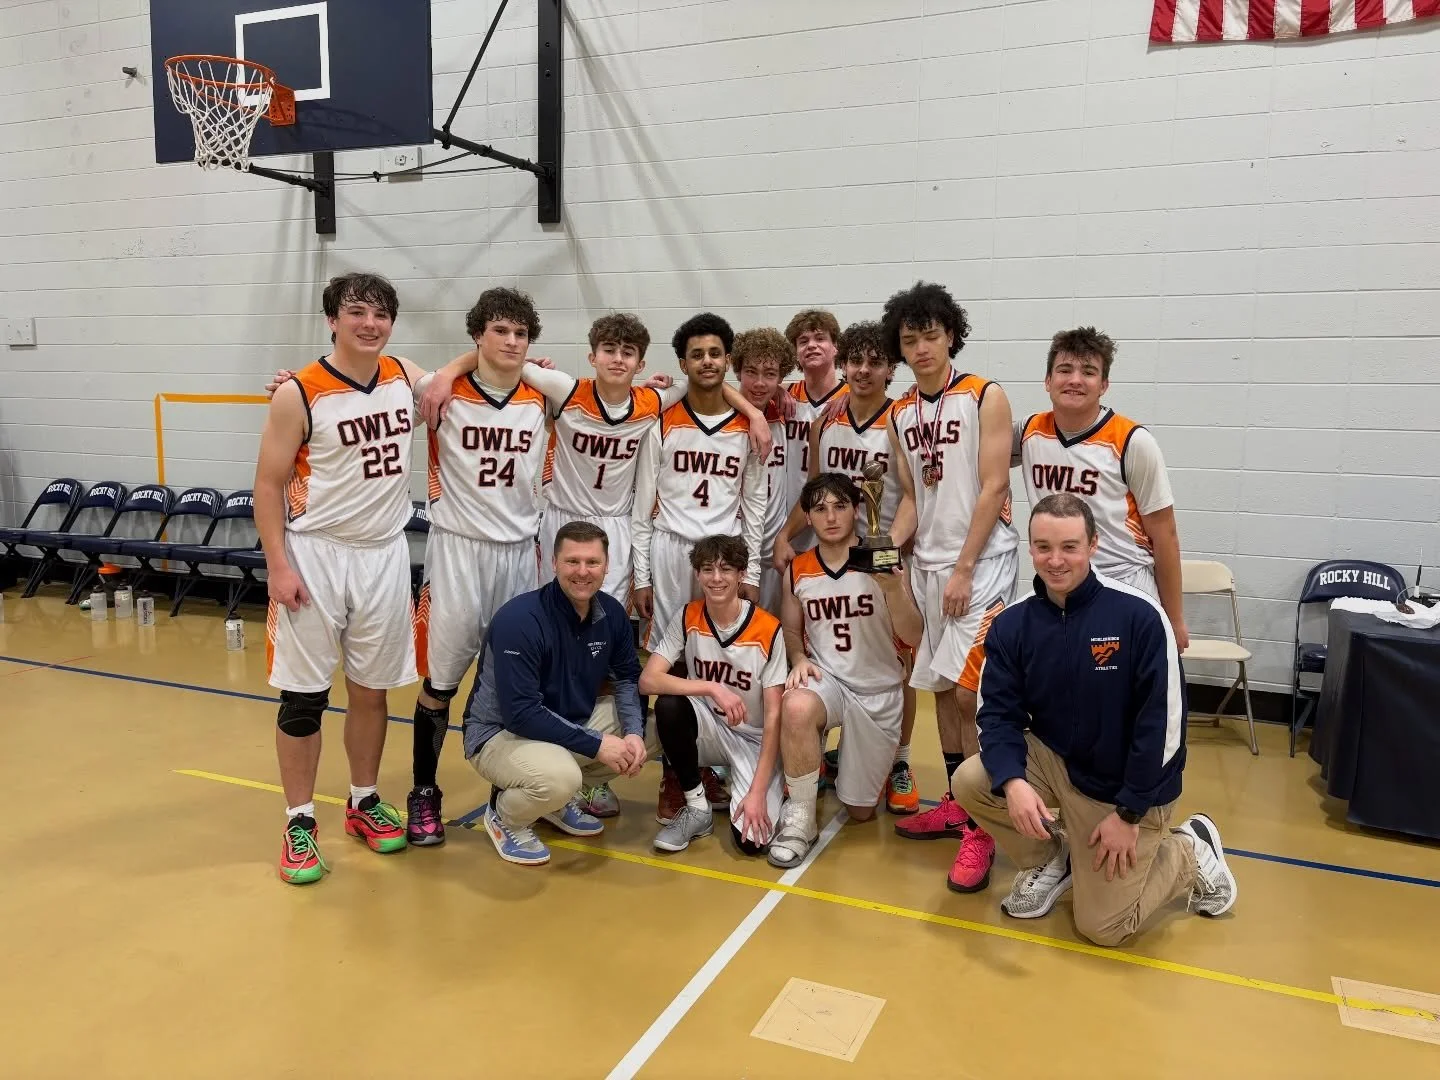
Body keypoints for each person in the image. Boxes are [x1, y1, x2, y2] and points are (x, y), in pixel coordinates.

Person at [420, 312, 768, 822]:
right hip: (557, 524)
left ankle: (581, 771)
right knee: (546, 642)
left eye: (628, 353)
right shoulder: (564, 389)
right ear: (592, 356)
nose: (618, 359)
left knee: (605, 649)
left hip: (618, 529)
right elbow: (498, 354)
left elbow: (705, 384)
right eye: (609, 350)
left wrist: (752, 412)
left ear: (641, 362)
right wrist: (450, 371)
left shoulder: (651, 401)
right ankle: (532, 758)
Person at [950, 494, 1236, 941]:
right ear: (1030, 549)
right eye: (1043, 547)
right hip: (1061, 764)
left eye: (1069, 546)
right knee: (972, 780)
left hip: (1128, 789)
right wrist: (1014, 782)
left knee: (1104, 928)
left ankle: (1189, 850)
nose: (1056, 560)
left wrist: (1129, 813)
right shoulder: (1014, 624)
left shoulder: (1139, 616)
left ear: (1094, 544)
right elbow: (998, 714)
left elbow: (1164, 729)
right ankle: (1054, 858)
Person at [257, 271, 425, 885]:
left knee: (372, 689)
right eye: (356, 311)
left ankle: (362, 800)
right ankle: (299, 820)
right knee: (304, 695)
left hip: (382, 554)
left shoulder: (407, 377)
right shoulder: (298, 392)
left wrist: (530, 362)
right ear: (332, 319)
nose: (369, 323)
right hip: (317, 554)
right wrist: (279, 563)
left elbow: (477, 379)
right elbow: (268, 485)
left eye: (380, 313)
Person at [884, 281, 1017, 893]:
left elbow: (992, 487)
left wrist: (964, 567)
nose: (921, 348)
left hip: (981, 564)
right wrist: (888, 553)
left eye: (930, 335)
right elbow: (914, 495)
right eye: (909, 340)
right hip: (929, 565)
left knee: (970, 696)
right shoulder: (900, 411)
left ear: (951, 336)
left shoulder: (985, 396)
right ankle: (960, 806)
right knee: (939, 688)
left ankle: (984, 827)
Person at [405, 287, 549, 847]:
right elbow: (385, 373)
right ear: (477, 335)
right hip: (458, 550)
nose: (511, 342)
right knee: (440, 680)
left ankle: (504, 792)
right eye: (500, 331)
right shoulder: (442, 391)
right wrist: (449, 370)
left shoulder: (542, 395)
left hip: (519, 553)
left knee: (514, 679)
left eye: (521, 333)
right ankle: (423, 792)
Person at [773, 321, 920, 814]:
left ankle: (899, 759)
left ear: (889, 368)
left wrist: (885, 550)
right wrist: (786, 534)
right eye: (855, 361)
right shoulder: (826, 421)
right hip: (834, 545)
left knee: (898, 662)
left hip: (885, 552)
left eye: (874, 361)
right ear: (844, 364)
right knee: (842, 646)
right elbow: (814, 490)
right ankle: (833, 745)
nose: (862, 370)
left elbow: (914, 497)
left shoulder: (900, 421)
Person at [461, 521, 656, 866]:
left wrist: (634, 734)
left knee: (655, 729)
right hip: (498, 735)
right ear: (554, 563)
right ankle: (506, 816)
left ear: (606, 565)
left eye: (592, 562)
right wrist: (598, 744)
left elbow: (627, 678)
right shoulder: (520, 620)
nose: (582, 572)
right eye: (572, 561)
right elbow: (520, 712)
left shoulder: (610, 613)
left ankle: (553, 803)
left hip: (563, 724)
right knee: (561, 778)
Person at [769, 474, 924, 869]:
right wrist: (799, 658)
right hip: (829, 681)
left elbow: (914, 634)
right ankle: (800, 817)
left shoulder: (883, 558)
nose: (831, 517)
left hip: (878, 689)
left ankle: (861, 763)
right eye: (820, 509)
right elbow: (790, 628)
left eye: (840, 506)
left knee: (859, 812)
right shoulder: (798, 570)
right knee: (797, 706)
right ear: (808, 517)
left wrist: (892, 589)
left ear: (857, 510)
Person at [1016, 327, 1190, 650]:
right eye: (1064, 370)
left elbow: (1165, 534)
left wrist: (1174, 618)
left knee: (1121, 697)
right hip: (1060, 582)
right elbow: (978, 454)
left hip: (1123, 582)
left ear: (1104, 385)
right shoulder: (1028, 432)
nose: (1075, 380)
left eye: (1089, 372)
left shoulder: (1132, 442)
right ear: (1047, 381)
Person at [639, 535, 787, 855]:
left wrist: (758, 793)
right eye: (707, 569)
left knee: (752, 843)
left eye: (726, 570)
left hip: (754, 739)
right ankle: (697, 807)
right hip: (708, 726)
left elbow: (775, 716)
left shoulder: (768, 629)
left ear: (741, 574)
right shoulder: (688, 616)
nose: (716, 578)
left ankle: (770, 792)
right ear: (697, 575)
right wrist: (711, 687)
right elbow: (648, 680)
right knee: (669, 705)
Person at [729, 327, 798, 614]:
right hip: (733, 542)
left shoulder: (784, 413)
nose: (759, 383)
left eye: (770, 374)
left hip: (772, 545)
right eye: (750, 371)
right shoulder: (723, 416)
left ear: (782, 378)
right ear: (737, 371)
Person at [781, 309, 847, 555]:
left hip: (834, 521)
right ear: (795, 353)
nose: (811, 345)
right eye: (803, 341)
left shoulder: (853, 399)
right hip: (788, 517)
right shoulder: (784, 396)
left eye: (820, 338)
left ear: (835, 347)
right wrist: (775, 391)